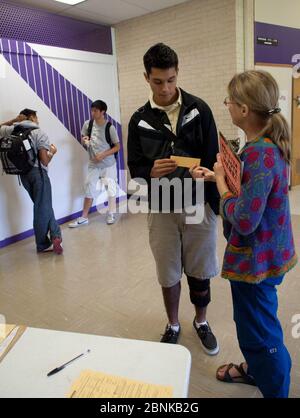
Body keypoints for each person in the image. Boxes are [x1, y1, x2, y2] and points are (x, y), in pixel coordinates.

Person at [191, 70, 297, 397]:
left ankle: (274, 387)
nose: (227, 106)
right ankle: (257, 370)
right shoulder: (263, 145)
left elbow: (245, 219)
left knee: (258, 335)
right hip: (268, 254)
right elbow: (251, 190)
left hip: (255, 262)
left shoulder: (260, 153)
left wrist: (221, 182)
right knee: (260, 321)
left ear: (244, 110)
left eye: (230, 101)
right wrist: (216, 176)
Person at [127, 43, 220, 354]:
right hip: (161, 205)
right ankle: (173, 324)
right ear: (146, 78)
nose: (165, 88)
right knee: (167, 271)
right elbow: (135, 168)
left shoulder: (199, 109)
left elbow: (213, 157)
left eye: (170, 80)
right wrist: (149, 172)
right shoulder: (139, 119)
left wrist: (209, 185)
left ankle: (201, 321)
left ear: (177, 73)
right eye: (157, 81)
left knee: (200, 268)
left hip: (197, 205)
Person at [0, 109, 63, 254]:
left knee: (43, 206)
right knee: (42, 207)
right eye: (37, 117)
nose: (38, 120)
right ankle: (42, 244)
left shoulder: (12, 130)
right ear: (32, 117)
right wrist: (52, 152)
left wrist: (14, 120)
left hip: (23, 175)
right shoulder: (39, 133)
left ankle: (55, 235)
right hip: (39, 174)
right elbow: (44, 161)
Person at [69, 100, 120, 227]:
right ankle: (84, 217)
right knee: (89, 187)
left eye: (95, 111)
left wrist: (103, 154)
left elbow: (117, 146)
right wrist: (85, 140)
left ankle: (111, 214)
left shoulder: (110, 127)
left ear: (103, 112)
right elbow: (84, 136)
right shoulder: (88, 124)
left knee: (110, 189)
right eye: (92, 110)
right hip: (93, 164)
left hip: (108, 164)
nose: (92, 113)